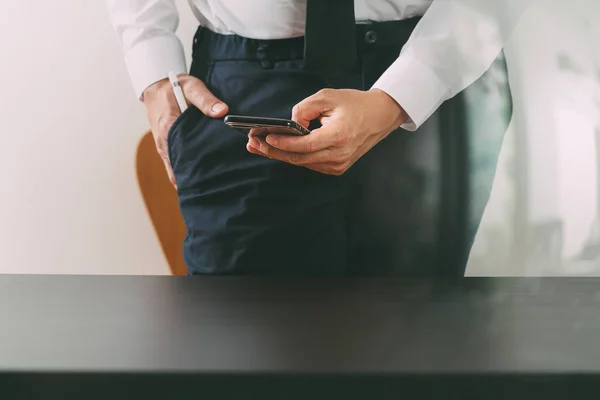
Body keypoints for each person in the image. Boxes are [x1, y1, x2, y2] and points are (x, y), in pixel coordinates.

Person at [106, 0, 533, 276]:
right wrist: (153, 68)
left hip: (435, 72)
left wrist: (403, 94)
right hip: (244, 88)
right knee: (241, 352)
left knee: (414, 350)